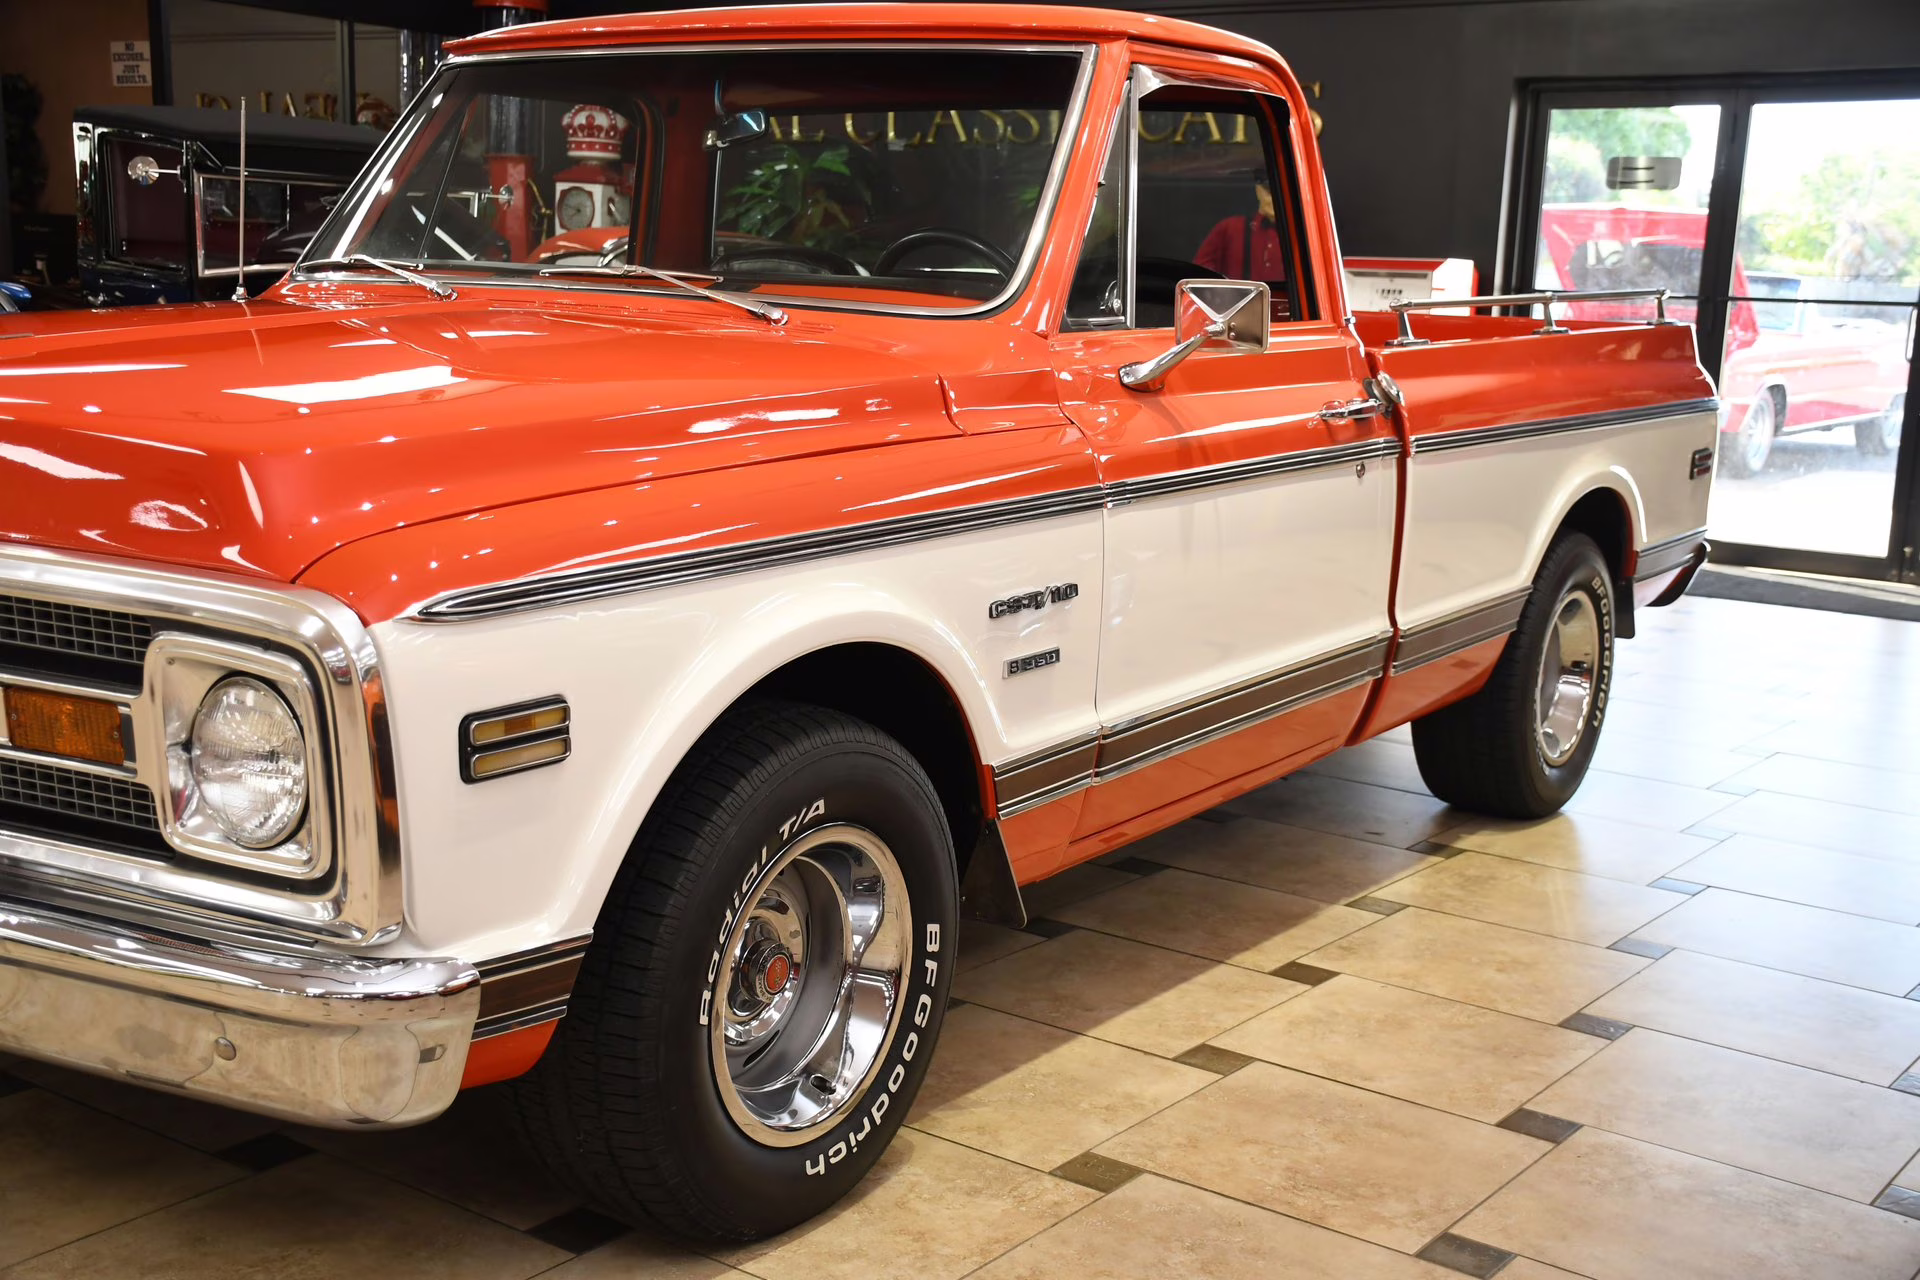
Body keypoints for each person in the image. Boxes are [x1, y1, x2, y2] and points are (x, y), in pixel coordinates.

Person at [1194, 180, 1286, 282]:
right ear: (1258, 190)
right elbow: (1199, 273)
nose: (1274, 198)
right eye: (1269, 191)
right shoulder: (1229, 229)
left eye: (1283, 191)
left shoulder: (1301, 236)